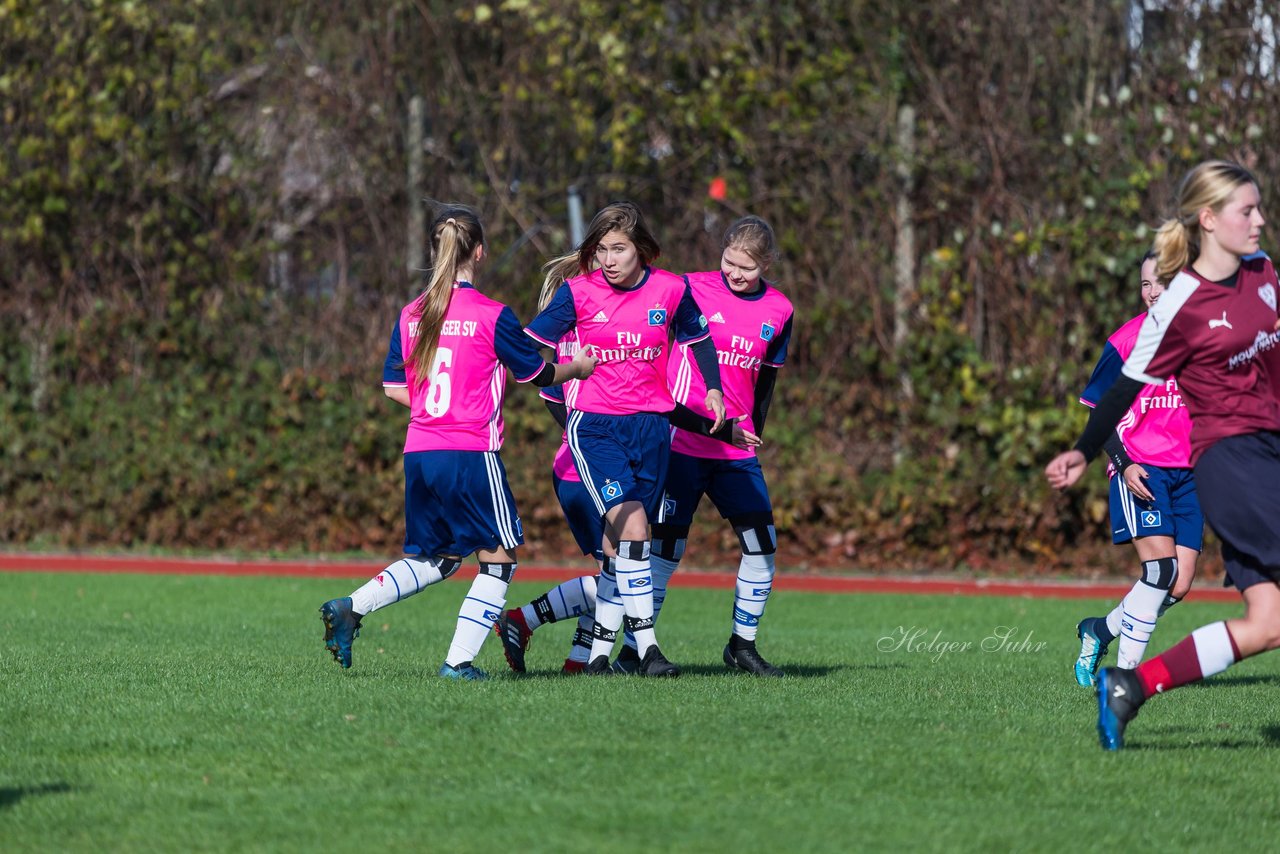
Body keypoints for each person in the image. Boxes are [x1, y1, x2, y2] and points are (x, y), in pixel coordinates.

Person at [1045, 160, 1280, 750]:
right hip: (1231, 462)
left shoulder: (1263, 272)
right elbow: (1120, 388)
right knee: (1165, 576)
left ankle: (1130, 685)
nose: (1259, 220)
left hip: (1267, 456)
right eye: (1246, 210)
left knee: (1267, 625)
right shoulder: (1180, 306)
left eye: (1259, 208)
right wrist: (1086, 450)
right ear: (1209, 219)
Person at [496, 216, 792, 678]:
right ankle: (630, 651)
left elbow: (738, 370)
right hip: (630, 446)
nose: (736, 273)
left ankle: (580, 652)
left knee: (630, 558)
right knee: (638, 549)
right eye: (729, 262)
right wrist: (563, 395)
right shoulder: (597, 301)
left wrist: (735, 413)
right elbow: (542, 376)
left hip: (676, 439)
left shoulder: (682, 294)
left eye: (747, 268)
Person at [318, 204, 596, 680]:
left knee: (440, 558)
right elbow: (537, 373)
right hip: (468, 453)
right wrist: (579, 367)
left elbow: (391, 386)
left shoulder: (412, 313)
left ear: (435, 250)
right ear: (480, 253)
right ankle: (458, 663)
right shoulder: (491, 314)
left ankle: (352, 606)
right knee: (499, 560)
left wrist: (432, 409)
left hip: (420, 451)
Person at [523, 201, 726, 677]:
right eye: (600, 250)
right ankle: (649, 650)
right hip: (595, 426)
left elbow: (698, 339)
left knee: (621, 547)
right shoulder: (577, 293)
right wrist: (559, 375)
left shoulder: (671, 290)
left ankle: (595, 658)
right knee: (635, 528)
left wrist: (713, 388)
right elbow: (531, 350)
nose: (608, 260)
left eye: (618, 249)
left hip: (652, 428)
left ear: (643, 250)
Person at [1072, 250, 1203, 687]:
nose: (1152, 292)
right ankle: (1125, 680)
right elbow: (1097, 413)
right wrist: (1123, 464)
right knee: (1160, 572)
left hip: (1189, 473)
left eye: (1160, 283)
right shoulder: (1126, 341)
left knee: (1179, 585)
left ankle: (1100, 630)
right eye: (1145, 284)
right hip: (1141, 469)